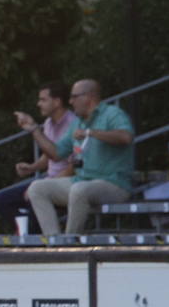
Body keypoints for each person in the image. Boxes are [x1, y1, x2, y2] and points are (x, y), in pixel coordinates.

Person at [20, 79, 135, 235]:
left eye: (74, 97)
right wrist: (35, 130)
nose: (70, 101)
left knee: (79, 189)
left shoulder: (112, 114)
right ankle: (55, 242)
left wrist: (91, 133)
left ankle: (70, 244)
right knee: (37, 188)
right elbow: (56, 153)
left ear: (88, 97)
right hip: (82, 182)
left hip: (114, 184)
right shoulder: (78, 123)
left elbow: (126, 137)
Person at [0, 82, 76, 232]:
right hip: (48, 181)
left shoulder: (73, 123)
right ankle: (24, 233)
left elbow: (74, 166)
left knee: (35, 197)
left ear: (57, 102)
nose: (39, 104)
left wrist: (43, 185)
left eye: (43, 100)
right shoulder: (48, 123)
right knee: (2, 200)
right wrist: (32, 167)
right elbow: (49, 155)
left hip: (65, 182)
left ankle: (36, 242)